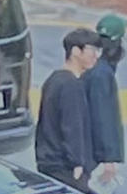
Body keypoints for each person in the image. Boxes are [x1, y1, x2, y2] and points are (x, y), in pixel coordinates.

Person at [33, 25, 96, 185]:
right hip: (65, 168)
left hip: (48, 162)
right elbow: (72, 126)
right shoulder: (71, 85)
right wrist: (77, 163)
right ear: (76, 51)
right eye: (92, 50)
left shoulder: (54, 79)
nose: (96, 56)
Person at [82, 10, 127, 194]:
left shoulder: (95, 68)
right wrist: (108, 159)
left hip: (89, 155)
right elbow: (103, 117)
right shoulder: (102, 75)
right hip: (96, 161)